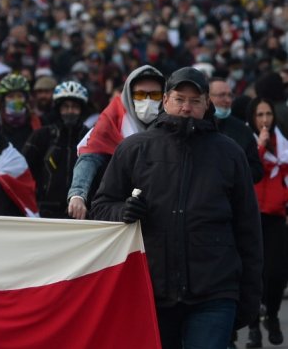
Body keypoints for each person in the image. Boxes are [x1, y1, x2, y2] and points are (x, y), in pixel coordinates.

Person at [91, 67, 263, 349]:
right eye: (180, 99)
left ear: (206, 104)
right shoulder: (134, 149)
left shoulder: (229, 153)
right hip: (151, 290)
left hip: (214, 291)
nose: (186, 107)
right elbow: (101, 206)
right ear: (166, 100)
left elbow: (248, 229)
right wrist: (123, 211)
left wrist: (250, 296)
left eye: (195, 101)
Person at [67, 65, 165, 217]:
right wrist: (78, 195)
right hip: (118, 209)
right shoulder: (112, 118)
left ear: (165, 97)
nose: (147, 101)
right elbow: (90, 155)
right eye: (140, 95)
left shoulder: (171, 122)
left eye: (155, 95)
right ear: (128, 95)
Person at [245, 97, 288, 348]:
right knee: (254, 273)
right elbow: (249, 172)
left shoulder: (281, 143)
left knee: (277, 272)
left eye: (268, 114)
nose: (264, 120)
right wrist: (259, 148)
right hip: (252, 214)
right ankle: (253, 327)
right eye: (260, 115)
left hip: (276, 214)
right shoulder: (247, 141)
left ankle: (271, 315)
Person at [23, 81, 90, 218]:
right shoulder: (42, 136)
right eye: (65, 107)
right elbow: (24, 172)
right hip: (44, 212)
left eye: (75, 107)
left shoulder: (90, 137)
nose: (70, 111)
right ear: (58, 109)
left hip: (81, 212)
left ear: (82, 109)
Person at [208, 78, 264, 184]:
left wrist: (234, 175)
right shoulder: (196, 125)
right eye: (222, 95)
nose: (228, 100)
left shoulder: (242, 130)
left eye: (230, 95)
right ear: (206, 97)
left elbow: (257, 170)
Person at [0, 74, 41, 151]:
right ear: (3, 100)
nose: (15, 100)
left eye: (19, 96)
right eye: (11, 96)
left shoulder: (37, 122)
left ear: (26, 99)